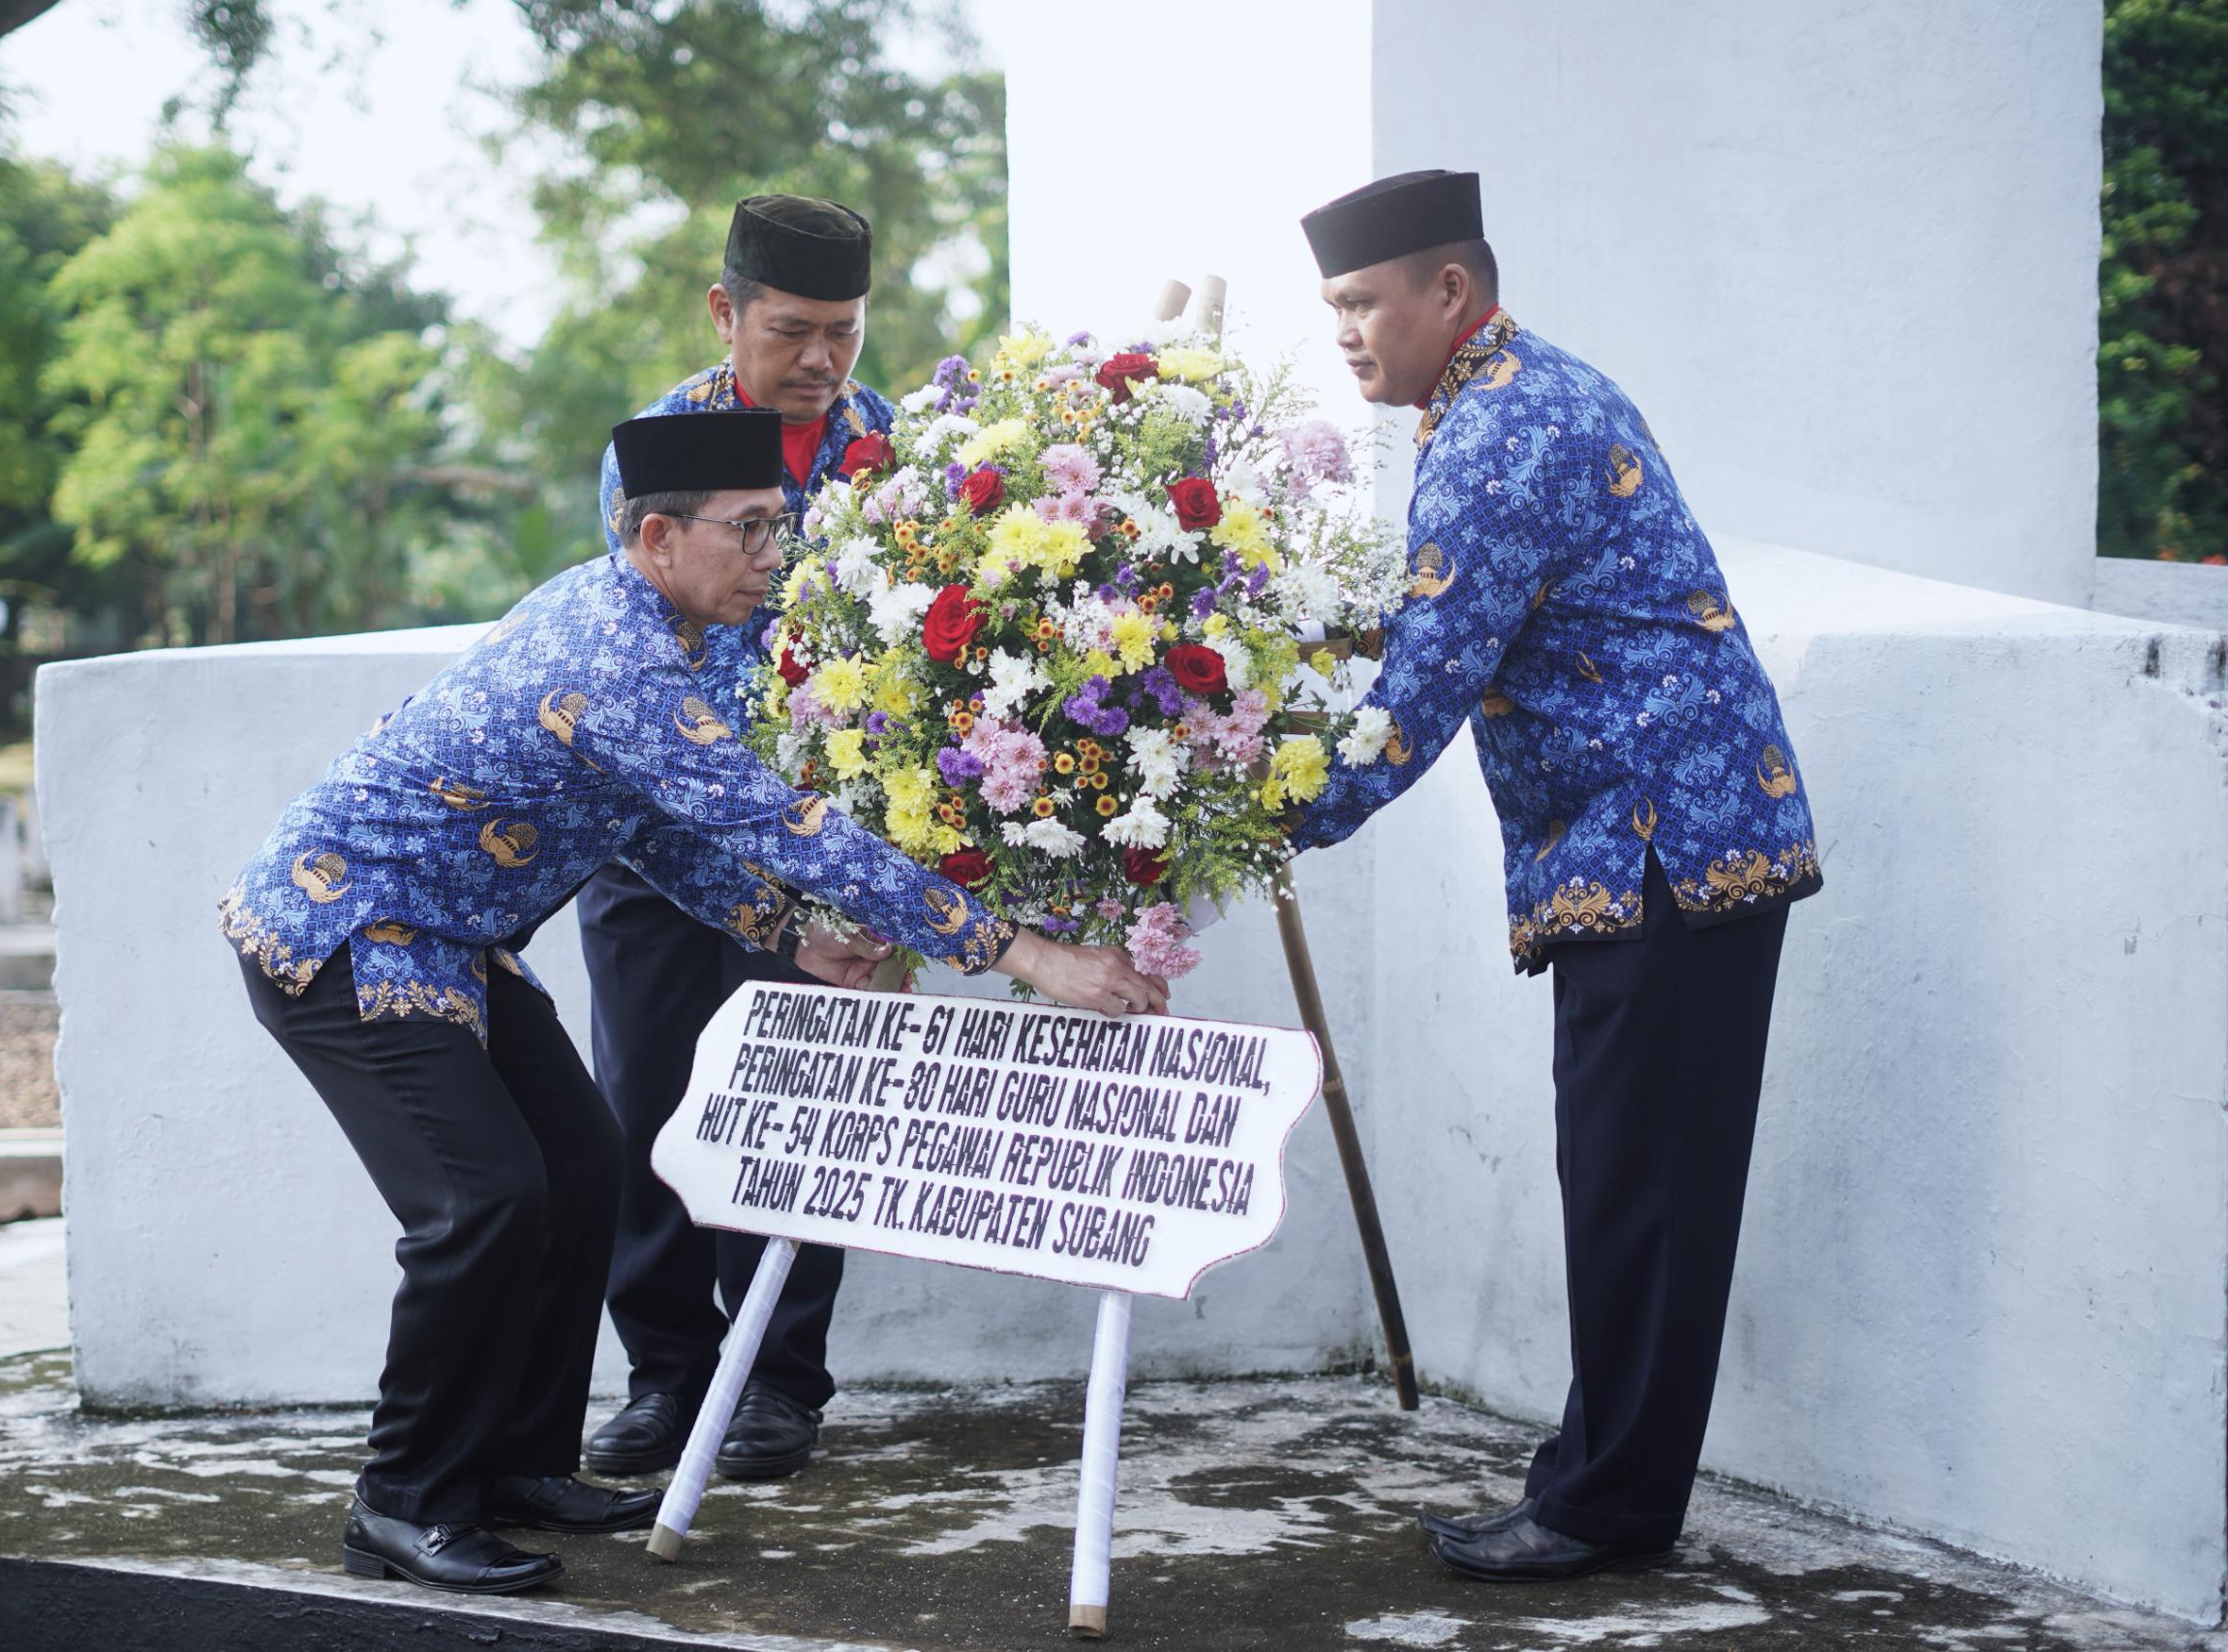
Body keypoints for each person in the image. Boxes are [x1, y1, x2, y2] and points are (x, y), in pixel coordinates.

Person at [220, 408, 1167, 1596]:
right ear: (659, 534)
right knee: (481, 1200)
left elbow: (648, 822)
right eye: (753, 530)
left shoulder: (646, 618)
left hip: (452, 940)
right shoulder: (616, 659)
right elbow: (786, 824)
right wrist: (1024, 950)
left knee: (579, 1164)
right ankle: (402, 1497)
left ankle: (516, 1462)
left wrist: (780, 933)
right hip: (345, 931)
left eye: (780, 524)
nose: (776, 554)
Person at [1288, 169, 1822, 1582]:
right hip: (1666, 847)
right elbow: (1432, 620)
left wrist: (1244, 816)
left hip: (1664, 850)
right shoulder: (1504, 397)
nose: (1343, 331)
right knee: (1632, 1184)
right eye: (1331, 305)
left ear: (1447, 291)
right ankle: (1600, 1487)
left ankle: (1604, 1509)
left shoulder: (1503, 430)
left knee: (1641, 1190)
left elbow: (1417, 694)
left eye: (1360, 301)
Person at [579, 194, 897, 1484]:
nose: (821, 359)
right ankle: (667, 1374)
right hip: (652, 836)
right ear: (726, 313)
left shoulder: (917, 455)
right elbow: (648, 661)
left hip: (816, 850)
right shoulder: (658, 446)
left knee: (797, 1114)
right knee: (646, 1113)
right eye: (791, 330)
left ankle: (777, 1380)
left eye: (845, 331)